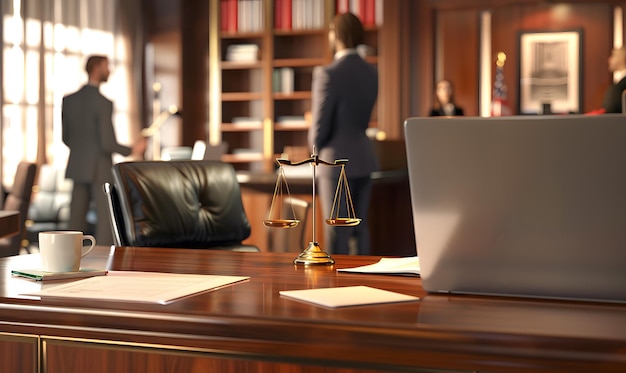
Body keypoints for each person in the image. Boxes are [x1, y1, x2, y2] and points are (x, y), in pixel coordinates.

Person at [308, 13, 378, 255]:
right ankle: (363, 283)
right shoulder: (371, 72)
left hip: (334, 161)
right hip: (364, 157)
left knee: (336, 231)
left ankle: (334, 288)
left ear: (335, 35)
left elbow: (319, 127)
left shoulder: (328, 74)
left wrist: (313, 152)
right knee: (360, 228)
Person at [62, 55, 146, 245]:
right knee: (107, 221)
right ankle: (104, 262)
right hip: (100, 168)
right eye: (107, 66)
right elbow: (108, 143)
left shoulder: (69, 100)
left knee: (74, 222)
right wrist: (133, 148)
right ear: (97, 68)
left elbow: (66, 138)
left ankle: (66, 261)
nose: (110, 71)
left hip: (77, 166)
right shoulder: (103, 103)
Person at [602, 47, 626, 113]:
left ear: (622, 59)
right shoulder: (618, 83)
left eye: (613, 55)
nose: (609, 60)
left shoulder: (621, 85)